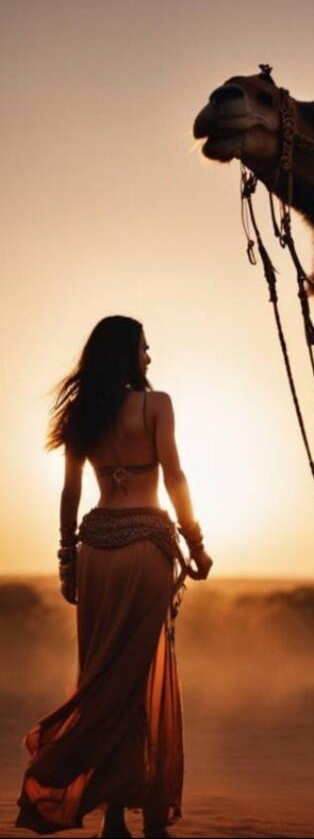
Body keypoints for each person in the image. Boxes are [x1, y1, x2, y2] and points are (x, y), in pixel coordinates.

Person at [16, 315, 213, 838]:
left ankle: (116, 819)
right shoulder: (157, 405)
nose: (150, 357)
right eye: (145, 348)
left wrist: (67, 561)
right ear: (128, 354)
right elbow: (173, 476)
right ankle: (145, 811)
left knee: (104, 673)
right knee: (138, 675)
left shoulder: (84, 414)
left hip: (96, 550)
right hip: (147, 548)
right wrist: (195, 542)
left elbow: (69, 494)